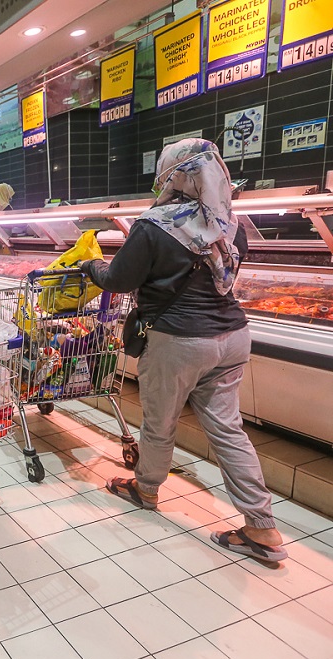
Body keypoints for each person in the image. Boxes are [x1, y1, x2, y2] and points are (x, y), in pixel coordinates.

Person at [81, 138, 287, 562]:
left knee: (160, 422)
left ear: (173, 175)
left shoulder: (155, 224)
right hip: (232, 336)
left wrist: (90, 266)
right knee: (228, 429)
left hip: (178, 340)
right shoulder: (231, 222)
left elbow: (119, 279)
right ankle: (261, 526)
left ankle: (146, 489)